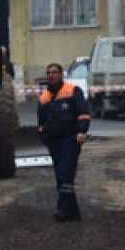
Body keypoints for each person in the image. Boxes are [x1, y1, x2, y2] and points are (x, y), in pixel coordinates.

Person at [37, 62, 91, 222]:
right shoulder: (44, 97)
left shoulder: (73, 91)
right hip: (54, 142)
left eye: (54, 72)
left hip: (70, 139)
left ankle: (62, 209)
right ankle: (73, 213)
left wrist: (82, 131)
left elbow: (83, 113)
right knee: (61, 177)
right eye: (48, 73)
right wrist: (44, 137)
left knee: (65, 174)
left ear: (61, 74)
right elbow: (41, 121)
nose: (51, 75)